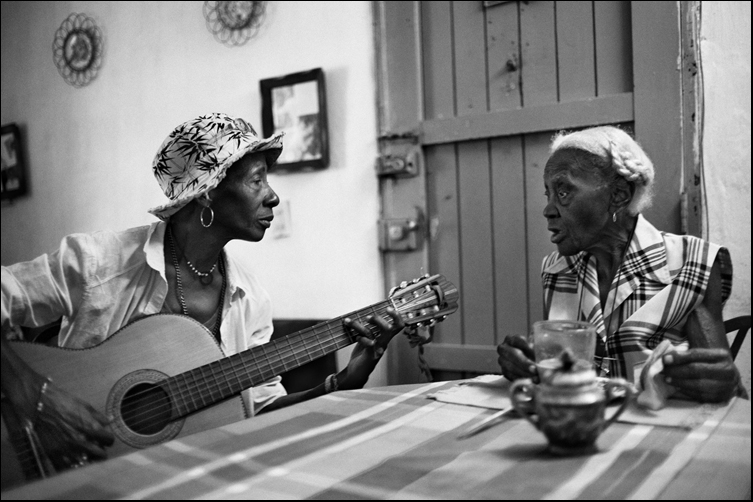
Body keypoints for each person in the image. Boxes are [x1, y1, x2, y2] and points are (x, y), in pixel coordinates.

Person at [0, 112, 404, 473]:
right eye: (257, 178)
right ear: (208, 191)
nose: (273, 195)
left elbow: (258, 413)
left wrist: (344, 380)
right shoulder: (99, 263)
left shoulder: (251, 297)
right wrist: (32, 396)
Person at [497, 125, 742, 404]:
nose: (548, 210)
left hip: (656, 430)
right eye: (548, 194)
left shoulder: (693, 263)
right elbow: (557, 365)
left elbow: (721, 380)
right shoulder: (557, 268)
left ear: (619, 195)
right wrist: (527, 363)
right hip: (583, 429)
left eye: (563, 192)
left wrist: (724, 381)